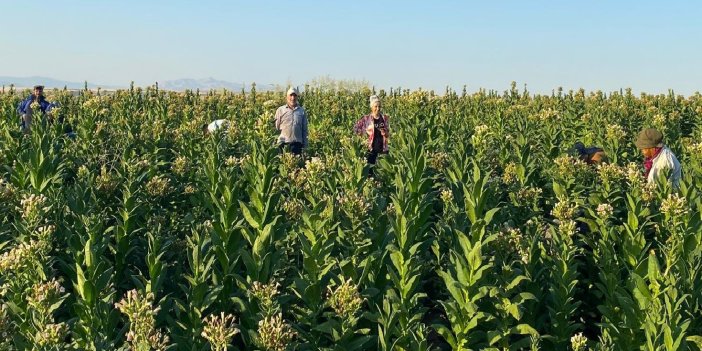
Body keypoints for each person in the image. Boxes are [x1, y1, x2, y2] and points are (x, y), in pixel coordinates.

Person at [353, 95, 390, 171]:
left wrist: (385, 133)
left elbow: (388, 134)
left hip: (383, 149)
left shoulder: (384, 118)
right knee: (370, 171)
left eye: (379, 106)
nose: (378, 109)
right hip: (371, 149)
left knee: (382, 171)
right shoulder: (366, 119)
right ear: (371, 107)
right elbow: (356, 128)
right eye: (375, 106)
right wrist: (362, 135)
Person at [274, 87, 308, 155]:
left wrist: (305, 145)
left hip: (297, 144)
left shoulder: (302, 111)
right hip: (283, 143)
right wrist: (274, 144)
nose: (293, 98)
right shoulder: (280, 110)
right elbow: (276, 128)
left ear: (297, 97)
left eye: (295, 95)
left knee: (296, 164)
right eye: (291, 95)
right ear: (287, 97)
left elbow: (304, 129)